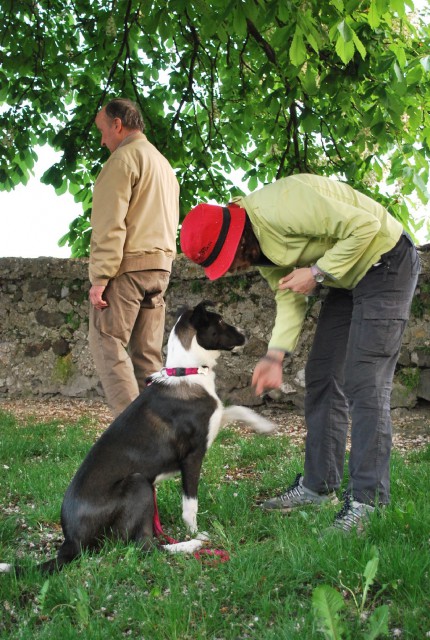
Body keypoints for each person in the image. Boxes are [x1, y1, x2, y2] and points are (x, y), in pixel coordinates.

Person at [179, 173, 420, 534]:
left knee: (364, 379)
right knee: (323, 375)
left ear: (236, 239)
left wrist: (318, 272)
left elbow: (365, 227)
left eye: (228, 260)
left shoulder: (282, 205)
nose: (232, 268)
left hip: (385, 259)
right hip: (346, 276)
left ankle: (369, 502)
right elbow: (290, 293)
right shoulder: (258, 250)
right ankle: (318, 487)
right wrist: (275, 355)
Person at [88, 98, 180, 417]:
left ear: (118, 124)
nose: (102, 140)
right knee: (147, 359)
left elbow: (109, 224)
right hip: (160, 269)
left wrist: (100, 278)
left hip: (128, 268)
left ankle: (132, 436)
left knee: (106, 341)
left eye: (102, 131)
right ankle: (162, 434)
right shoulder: (163, 165)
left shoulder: (123, 159)